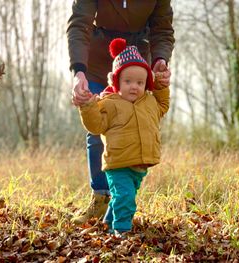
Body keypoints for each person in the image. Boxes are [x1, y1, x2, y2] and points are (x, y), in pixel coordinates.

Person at [67, 0, 175, 224]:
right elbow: (80, 24)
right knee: (97, 131)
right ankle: (101, 197)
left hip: (136, 67)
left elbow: (162, 28)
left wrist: (160, 60)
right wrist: (79, 71)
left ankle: (117, 204)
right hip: (97, 64)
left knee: (133, 129)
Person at [77, 38, 170, 235]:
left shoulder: (149, 103)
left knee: (122, 196)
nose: (134, 86)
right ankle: (121, 232)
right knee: (125, 197)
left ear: (146, 84)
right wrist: (88, 106)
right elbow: (95, 126)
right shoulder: (109, 104)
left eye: (140, 82)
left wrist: (161, 87)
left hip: (139, 165)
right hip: (117, 164)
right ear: (117, 81)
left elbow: (163, 105)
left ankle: (109, 223)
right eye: (128, 81)